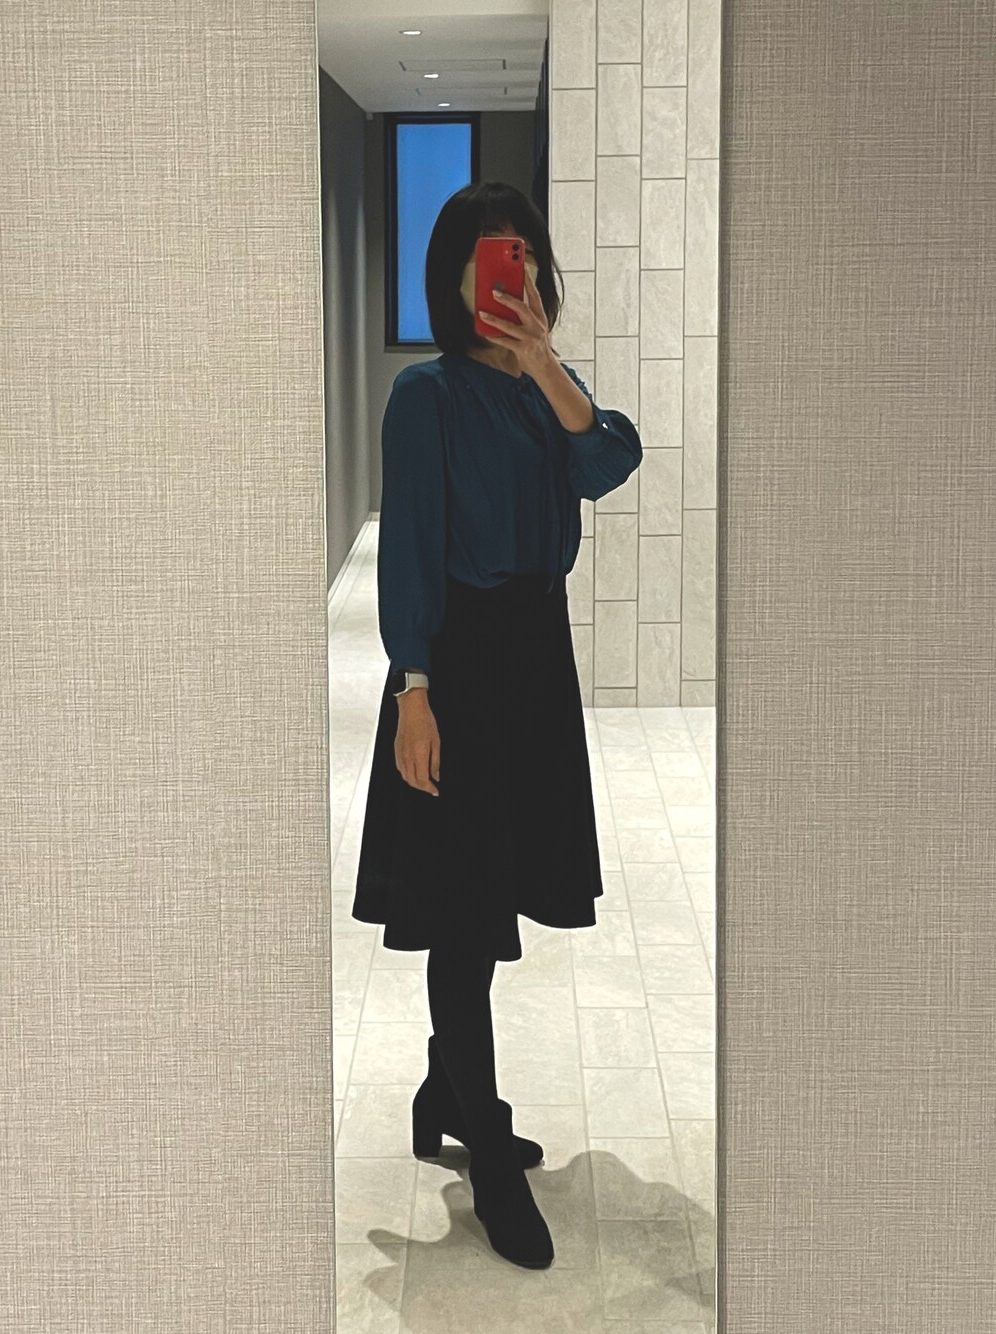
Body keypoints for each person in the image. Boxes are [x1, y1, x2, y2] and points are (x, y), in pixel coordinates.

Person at [351, 181, 643, 1269]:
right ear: (456, 276)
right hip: (460, 667)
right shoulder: (424, 395)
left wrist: (546, 364)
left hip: (536, 661)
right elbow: (410, 551)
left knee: (496, 889)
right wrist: (413, 689)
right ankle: (485, 1147)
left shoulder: (544, 393)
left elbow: (610, 461)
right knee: (462, 914)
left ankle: (447, 1085)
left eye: (521, 253)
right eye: (489, 255)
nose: (506, 272)